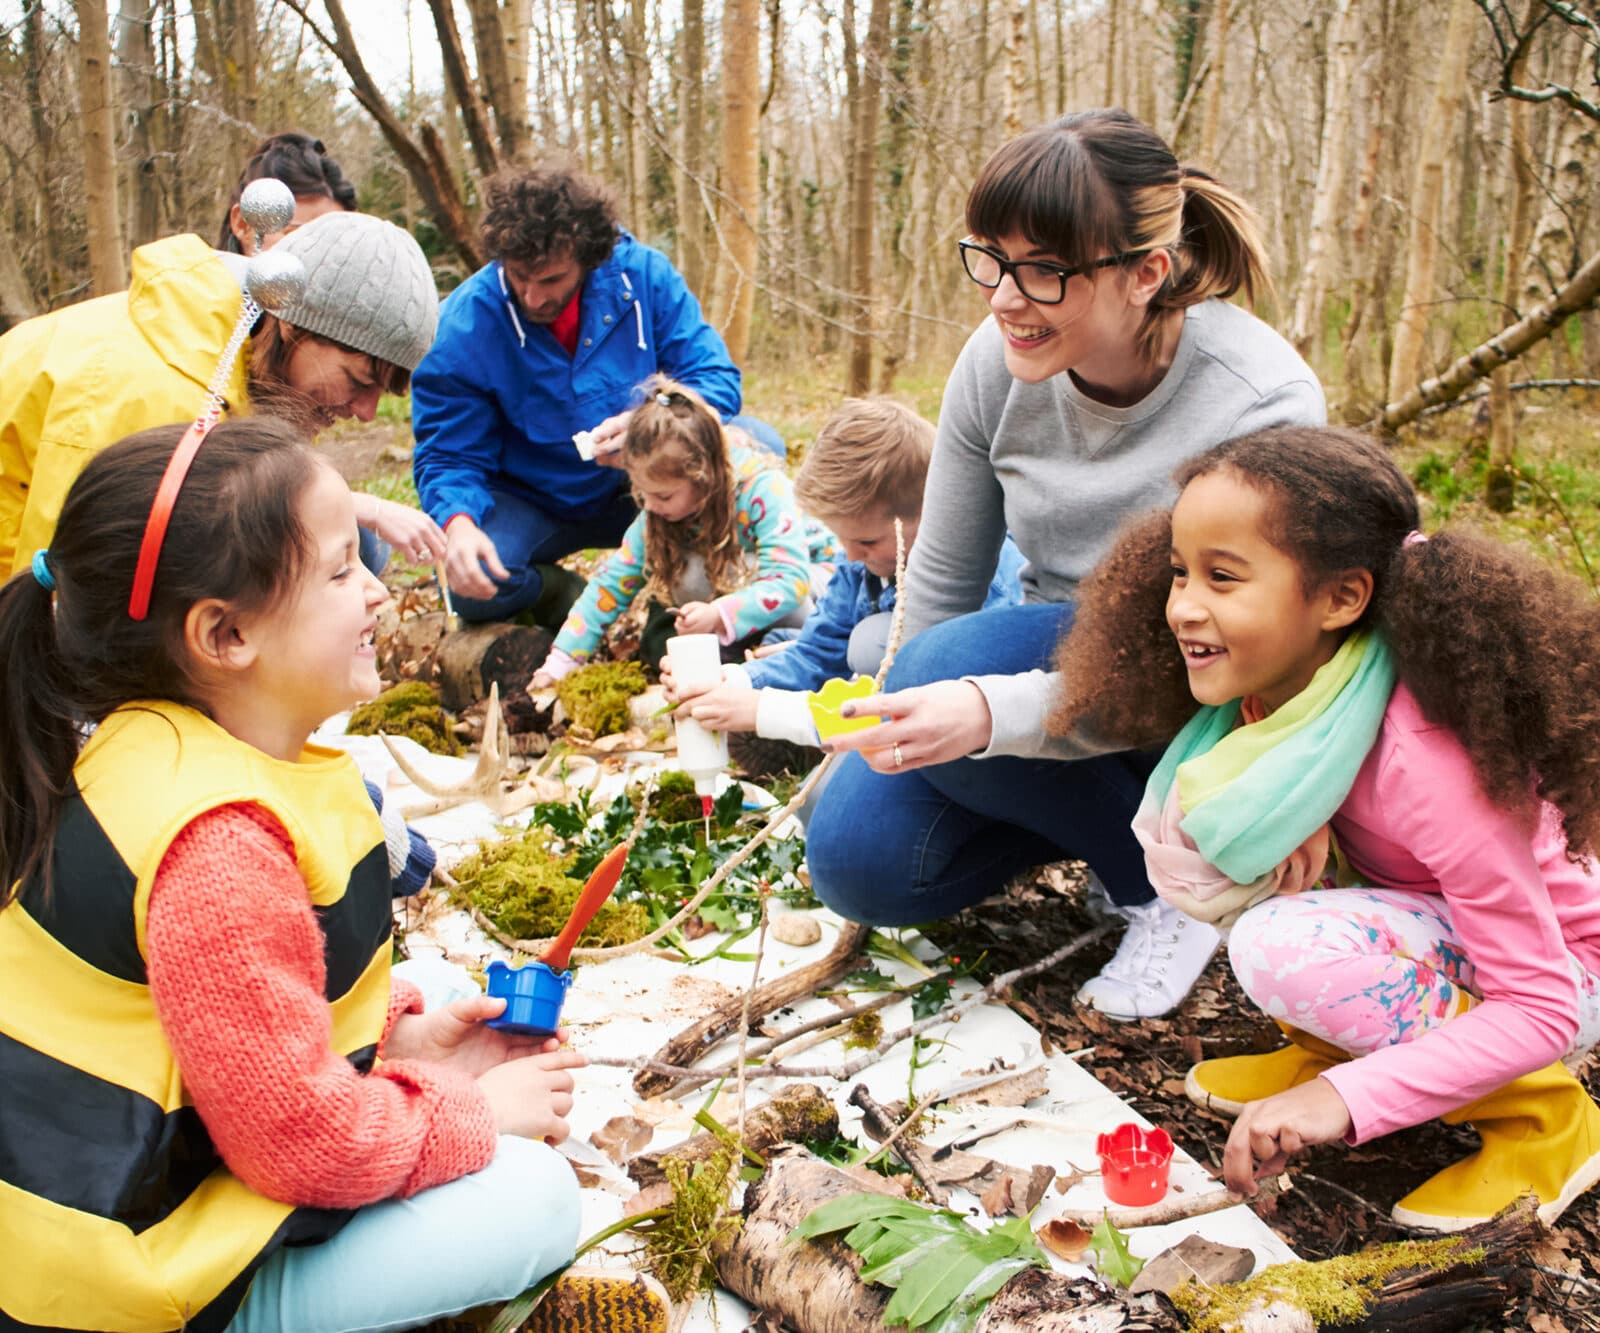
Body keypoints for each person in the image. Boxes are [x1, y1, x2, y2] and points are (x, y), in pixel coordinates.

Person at [0, 417, 674, 1331]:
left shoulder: (159, 746)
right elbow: (298, 1144)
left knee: (426, 988)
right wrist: (470, 1106)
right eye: (340, 570)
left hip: (135, 1173)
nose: (379, 592)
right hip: (124, 1275)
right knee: (534, 1196)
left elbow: (228, 1020)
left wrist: (400, 1046)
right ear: (224, 634)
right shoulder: (218, 843)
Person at [804, 108, 1326, 1022]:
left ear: (1144, 273)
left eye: (1043, 271)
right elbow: (941, 583)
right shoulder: (993, 367)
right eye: (989, 259)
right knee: (854, 858)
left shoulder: (1259, 405)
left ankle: (1161, 885)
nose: (1005, 298)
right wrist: (897, 719)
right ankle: (1082, 816)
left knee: (945, 678)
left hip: (1197, 699)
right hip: (1049, 666)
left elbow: (1239, 656)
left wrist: (979, 706)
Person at [1052, 425, 1600, 1231]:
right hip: (1446, 927)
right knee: (1248, 869)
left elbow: (1542, 1000)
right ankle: (1339, 1039)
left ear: (1341, 598)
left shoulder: (1423, 756)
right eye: (1179, 572)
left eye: (1223, 577)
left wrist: (1341, 1101)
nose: (1183, 606)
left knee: (1284, 943)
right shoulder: (1293, 702)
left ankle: (1548, 1124)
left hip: (1563, 971)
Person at [411, 161, 782, 626]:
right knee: (476, 583)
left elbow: (713, 377)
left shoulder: (644, 278)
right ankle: (558, 595)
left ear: (589, 259)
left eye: (551, 280)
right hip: (532, 499)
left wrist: (653, 424)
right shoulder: (463, 325)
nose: (532, 297)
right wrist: (458, 523)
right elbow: (448, 454)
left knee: (758, 443)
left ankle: (693, 600)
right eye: (519, 276)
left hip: (643, 486)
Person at [0, 210, 447, 580]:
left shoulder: (248, 354)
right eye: (359, 380)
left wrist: (362, 508)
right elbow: (63, 599)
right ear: (292, 325)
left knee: (347, 544)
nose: (367, 413)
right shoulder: (154, 397)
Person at [666, 397, 1024, 746]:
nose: (851, 555)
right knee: (818, 805)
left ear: (932, 512)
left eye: (867, 541)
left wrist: (767, 711)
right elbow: (816, 655)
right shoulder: (859, 564)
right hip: (882, 708)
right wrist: (735, 680)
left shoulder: (985, 580)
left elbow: (924, 706)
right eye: (843, 539)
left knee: (872, 640)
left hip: (961, 735)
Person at [531, 380, 824, 687]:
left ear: (703, 476)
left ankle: (794, 651)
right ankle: (739, 657)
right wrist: (561, 662)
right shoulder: (656, 516)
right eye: (644, 495)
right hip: (741, 601)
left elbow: (791, 581)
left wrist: (718, 614)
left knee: (721, 575)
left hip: (812, 589)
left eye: (665, 497)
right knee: (689, 577)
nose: (652, 507)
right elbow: (608, 585)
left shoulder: (762, 489)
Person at [218, 131, 359, 253]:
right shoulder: (199, 280)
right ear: (242, 224)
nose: (318, 256)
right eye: (294, 235)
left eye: (333, 243)